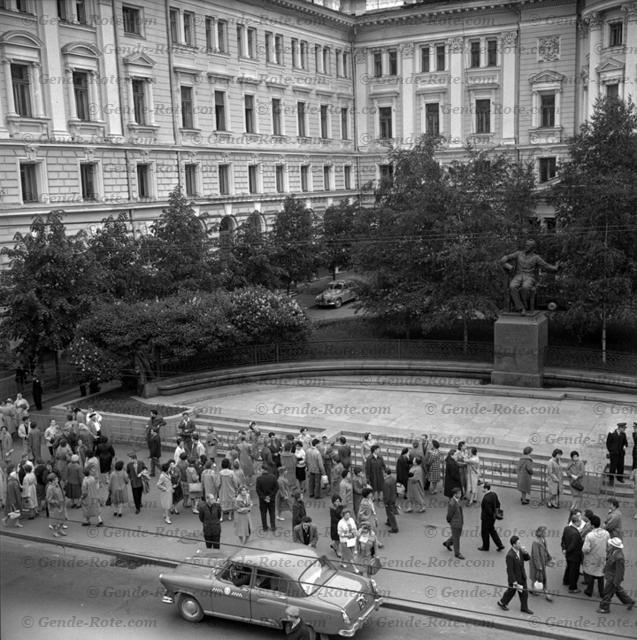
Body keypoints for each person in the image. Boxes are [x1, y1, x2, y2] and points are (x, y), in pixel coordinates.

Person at [500, 239, 558, 314]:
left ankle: (524, 305)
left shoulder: (536, 257)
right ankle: (521, 307)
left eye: (528, 245)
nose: (526, 246)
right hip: (518, 275)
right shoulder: (518, 253)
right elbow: (508, 257)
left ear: (532, 248)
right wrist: (505, 257)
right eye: (526, 245)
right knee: (512, 286)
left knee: (525, 287)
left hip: (529, 276)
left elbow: (545, 265)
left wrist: (555, 268)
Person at [597, 537, 635, 613]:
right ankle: (629, 602)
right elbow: (609, 562)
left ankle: (604, 608)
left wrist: (616, 582)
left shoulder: (619, 557)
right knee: (618, 591)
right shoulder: (613, 552)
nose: (609, 545)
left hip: (613, 579)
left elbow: (620, 571)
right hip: (611, 577)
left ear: (614, 546)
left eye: (610, 544)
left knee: (607, 593)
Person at [497, 536, 534, 614]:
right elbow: (509, 570)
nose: (520, 544)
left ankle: (524, 608)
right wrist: (514, 581)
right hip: (515, 579)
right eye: (518, 543)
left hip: (522, 577)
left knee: (524, 593)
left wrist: (525, 552)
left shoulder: (520, 551)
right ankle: (502, 602)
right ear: (514, 545)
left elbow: (527, 559)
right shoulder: (510, 555)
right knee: (511, 591)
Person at [582, 514, 609, 599]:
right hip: (602, 557)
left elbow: (585, 549)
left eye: (590, 523)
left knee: (590, 574)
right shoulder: (606, 533)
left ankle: (589, 591)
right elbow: (609, 546)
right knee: (600, 575)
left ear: (593, 525)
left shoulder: (589, 536)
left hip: (591, 558)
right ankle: (602, 593)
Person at [561, 509, 584, 593]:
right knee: (574, 571)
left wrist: (564, 549)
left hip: (568, 554)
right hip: (574, 555)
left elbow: (563, 540)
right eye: (580, 521)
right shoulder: (576, 533)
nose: (581, 522)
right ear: (577, 522)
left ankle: (566, 580)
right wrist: (567, 550)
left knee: (568, 568)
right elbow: (573, 546)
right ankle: (572, 587)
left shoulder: (566, 528)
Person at [529, 526, 554, 601]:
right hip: (537, 564)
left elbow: (546, 550)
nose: (547, 533)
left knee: (538, 577)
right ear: (542, 533)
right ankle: (546, 593)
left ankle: (533, 589)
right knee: (538, 577)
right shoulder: (535, 542)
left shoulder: (544, 540)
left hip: (542, 562)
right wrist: (539, 566)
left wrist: (549, 558)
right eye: (545, 531)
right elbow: (536, 556)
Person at [478, 483, 504, 552]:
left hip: (486, 518)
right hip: (493, 518)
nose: (482, 489)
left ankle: (485, 546)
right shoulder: (494, 494)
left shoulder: (486, 498)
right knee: (492, 531)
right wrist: (495, 513)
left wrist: (489, 515)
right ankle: (500, 545)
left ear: (486, 488)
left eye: (483, 488)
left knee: (484, 532)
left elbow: (488, 510)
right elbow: (498, 504)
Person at [443, 487, 465, 559]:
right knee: (456, 538)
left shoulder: (457, 500)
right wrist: (450, 521)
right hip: (455, 523)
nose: (461, 494)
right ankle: (457, 553)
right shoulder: (452, 503)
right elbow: (449, 514)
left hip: (459, 522)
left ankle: (447, 543)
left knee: (456, 536)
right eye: (459, 493)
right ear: (455, 494)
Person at [255, 466, 278, 532]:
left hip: (262, 500)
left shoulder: (259, 479)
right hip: (271, 499)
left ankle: (265, 527)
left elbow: (258, 489)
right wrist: (270, 496)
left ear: (262, 470)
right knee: (272, 513)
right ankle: (273, 526)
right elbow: (276, 488)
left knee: (263, 513)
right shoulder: (273, 477)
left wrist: (264, 497)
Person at [337, 508, 359, 573]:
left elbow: (355, 527)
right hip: (344, 541)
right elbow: (339, 533)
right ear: (343, 515)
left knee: (346, 553)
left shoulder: (351, 520)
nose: (348, 516)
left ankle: (341, 562)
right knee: (350, 556)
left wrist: (354, 532)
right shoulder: (340, 523)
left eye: (349, 515)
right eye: (346, 515)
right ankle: (355, 569)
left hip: (352, 539)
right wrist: (346, 535)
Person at [382, 466, 399, 533]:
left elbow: (386, 494)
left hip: (389, 500)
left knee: (390, 513)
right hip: (393, 498)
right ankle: (389, 521)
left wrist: (385, 502)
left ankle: (394, 528)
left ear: (386, 473)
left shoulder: (386, 482)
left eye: (383, 472)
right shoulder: (393, 479)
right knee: (391, 511)